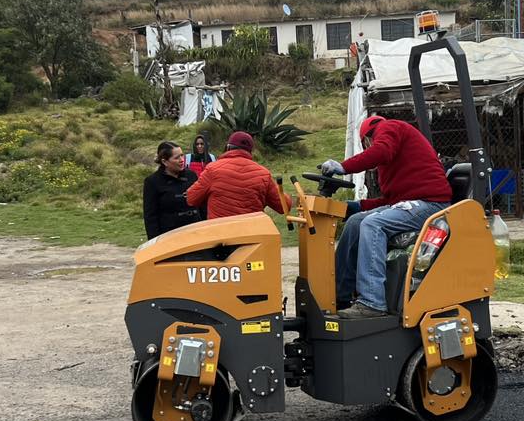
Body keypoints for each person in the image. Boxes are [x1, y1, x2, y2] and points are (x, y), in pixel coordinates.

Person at [320, 113, 453, 319]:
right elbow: (392, 201)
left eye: (366, 146)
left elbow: (381, 151)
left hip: (431, 204)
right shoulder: (395, 160)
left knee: (374, 224)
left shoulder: (390, 127)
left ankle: (372, 302)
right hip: (413, 203)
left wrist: (344, 166)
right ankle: (339, 296)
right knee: (357, 222)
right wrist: (355, 207)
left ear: (367, 138)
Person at [186, 130, 290, 220]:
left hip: (221, 235)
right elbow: (284, 206)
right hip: (251, 235)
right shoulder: (263, 174)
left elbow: (191, 198)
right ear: (250, 151)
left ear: (228, 147)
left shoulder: (212, 169)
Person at [143, 141, 199, 239]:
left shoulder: (191, 176)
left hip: (195, 232)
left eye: (182, 156)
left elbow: (202, 205)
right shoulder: (152, 182)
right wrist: (155, 242)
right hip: (170, 236)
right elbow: (151, 216)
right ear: (164, 161)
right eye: (177, 158)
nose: (182, 160)